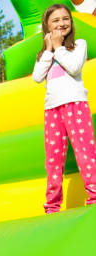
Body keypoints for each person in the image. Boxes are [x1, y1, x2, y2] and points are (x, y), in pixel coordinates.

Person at [32, 3, 96, 214]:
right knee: (53, 160)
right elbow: (37, 77)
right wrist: (49, 49)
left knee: (85, 152)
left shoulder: (78, 45)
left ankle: (94, 196)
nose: (61, 23)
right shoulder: (45, 54)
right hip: (52, 110)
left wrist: (59, 47)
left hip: (75, 105)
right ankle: (52, 206)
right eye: (55, 20)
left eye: (65, 19)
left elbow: (75, 66)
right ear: (47, 26)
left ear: (71, 22)